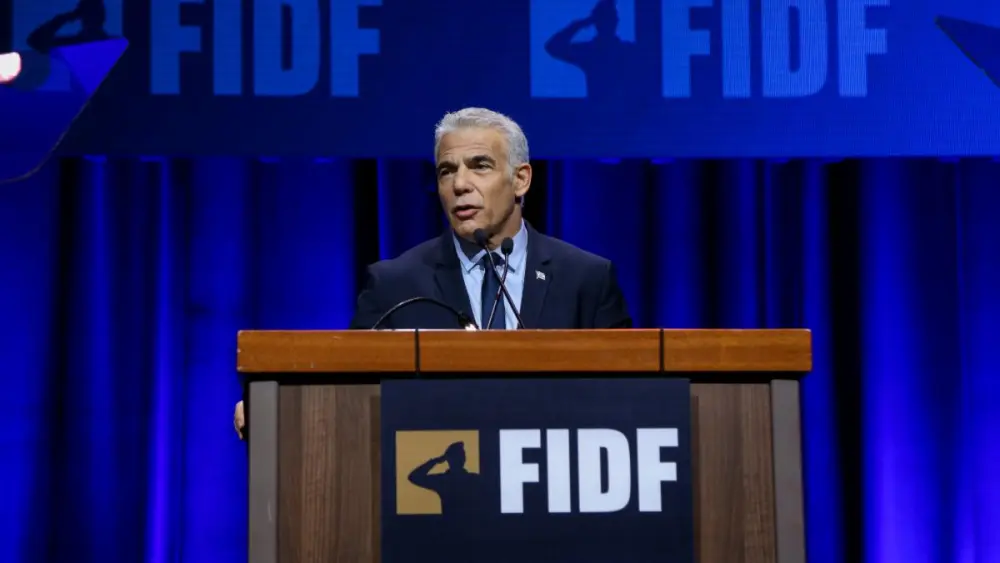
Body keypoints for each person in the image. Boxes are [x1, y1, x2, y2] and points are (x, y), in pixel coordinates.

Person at [233, 107, 631, 438]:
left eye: (480, 166)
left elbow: (628, 395)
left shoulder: (585, 278)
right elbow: (349, 388)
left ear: (521, 179)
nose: (460, 184)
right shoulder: (395, 284)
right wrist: (279, 408)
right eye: (446, 171)